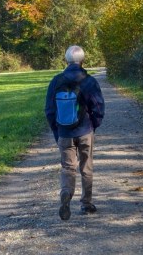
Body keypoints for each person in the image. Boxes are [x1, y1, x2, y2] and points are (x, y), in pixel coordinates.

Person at [45, 45, 105, 220]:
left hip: (64, 132)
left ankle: (66, 194)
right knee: (86, 166)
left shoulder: (56, 81)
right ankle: (86, 204)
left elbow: (49, 110)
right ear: (83, 61)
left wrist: (57, 132)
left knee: (67, 167)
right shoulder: (89, 81)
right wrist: (93, 125)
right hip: (85, 130)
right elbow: (98, 107)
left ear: (66, 61)